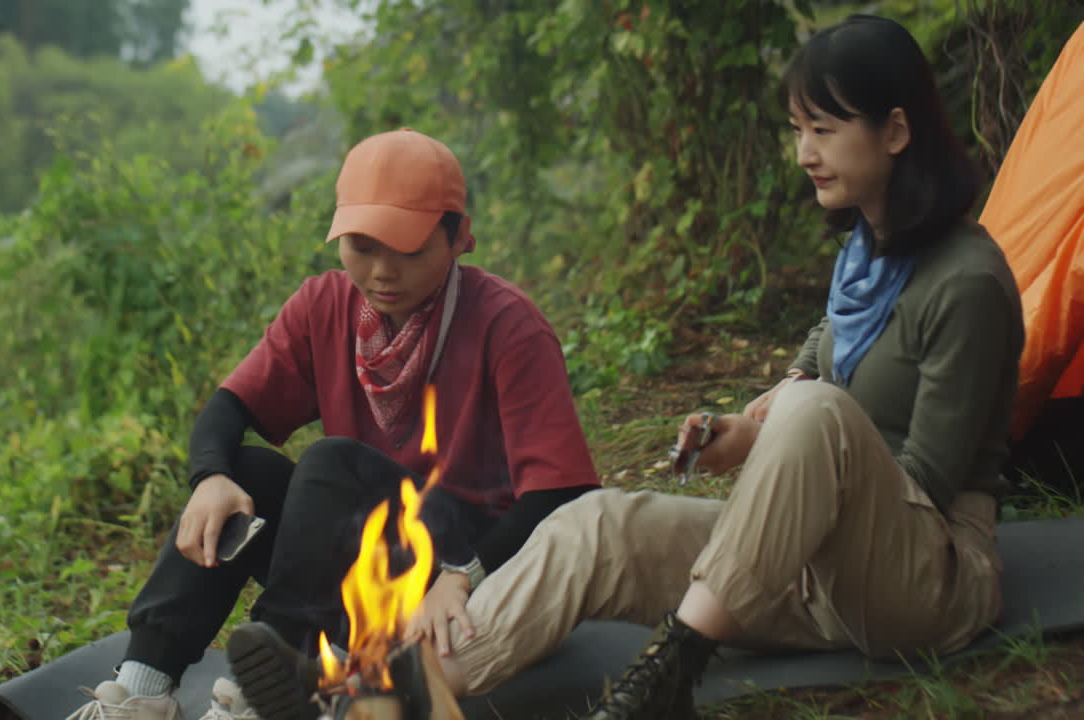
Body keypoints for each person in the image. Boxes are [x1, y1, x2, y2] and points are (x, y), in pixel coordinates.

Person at [235, 15, 1024, 720]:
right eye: (795, 129)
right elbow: (796, 392)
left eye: (822, 129)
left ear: (894, 131)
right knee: (595, 522)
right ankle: (365, 693)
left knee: (814, 410)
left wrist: (791, 425)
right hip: (809, 566)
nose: (803, 154)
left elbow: (920, 477)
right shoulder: (863, 259)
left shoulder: (967, 282)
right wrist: (736, 435)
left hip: (926, 579)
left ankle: (672, 666)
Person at [64, 128, 600, 720]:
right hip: (356, 562)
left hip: (465, 573)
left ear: (457, 238)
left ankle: (267, 691)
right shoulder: (325, 306)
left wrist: (462, 574)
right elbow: (228, 408)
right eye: (363, 246)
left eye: (409, 249)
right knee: (246, 468)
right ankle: (143, 688)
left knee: (329, 461)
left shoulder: (508, 326)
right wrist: (210, 478)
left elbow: (564, 492)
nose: (381, 271)